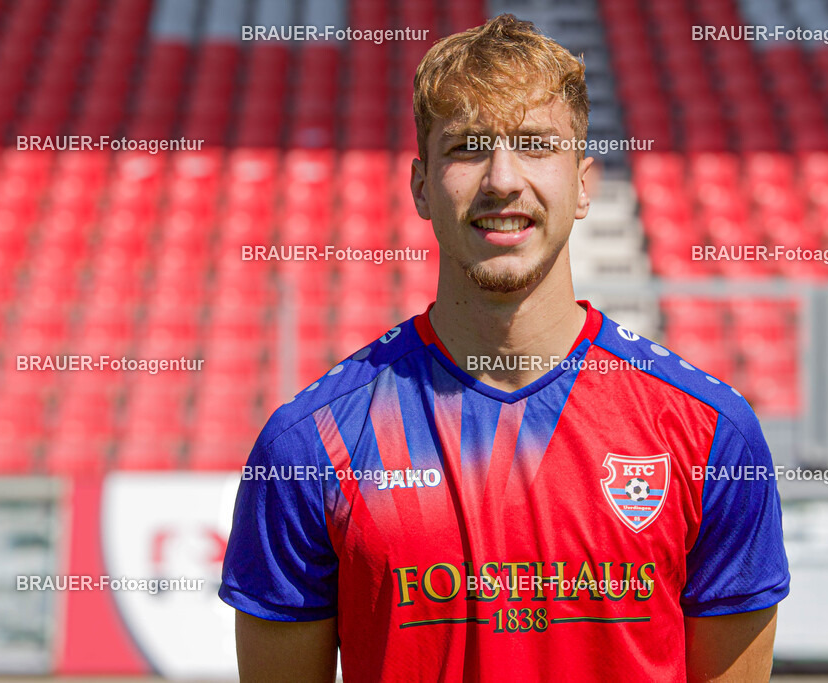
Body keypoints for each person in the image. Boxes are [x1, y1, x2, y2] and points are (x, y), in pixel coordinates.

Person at [219, 14, 789, 682]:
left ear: (583, 183)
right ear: (422, 187)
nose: (502, 179)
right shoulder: (309, 445)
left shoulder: (709, 433)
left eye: (534, 145)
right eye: (467, 148)